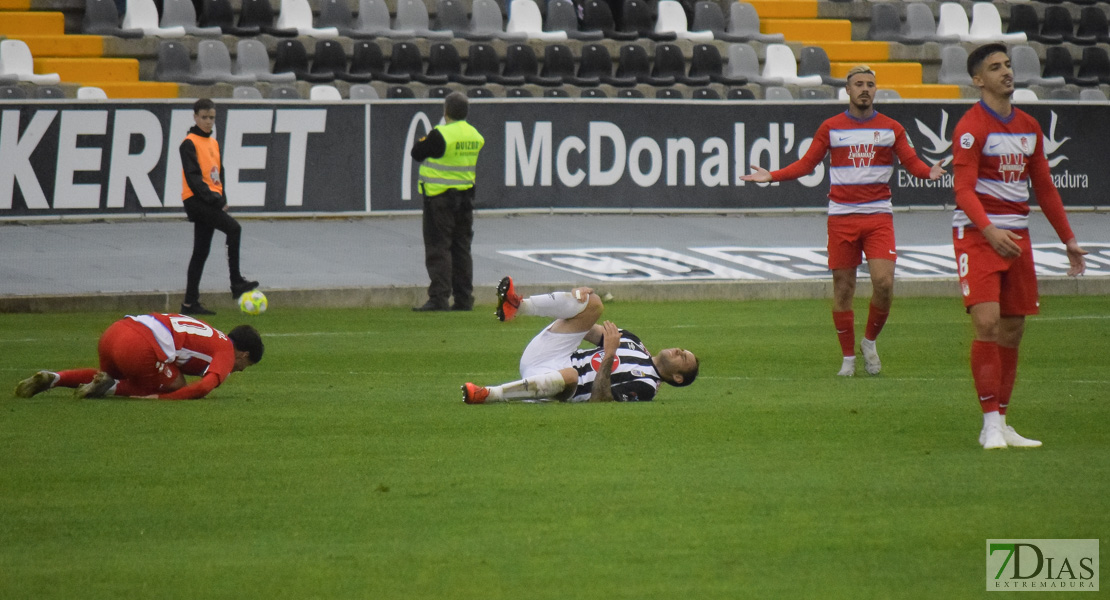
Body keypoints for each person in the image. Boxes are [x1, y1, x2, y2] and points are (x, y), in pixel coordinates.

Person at [740, 65, 946, 377]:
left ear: (876, 90)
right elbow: (807, 164)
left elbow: (912, 162)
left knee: (884, 283)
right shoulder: (832, 127)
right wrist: (772, 175)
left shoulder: (891, 128)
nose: (865, 89)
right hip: (841, 217)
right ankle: (848, 358)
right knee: (843, 288)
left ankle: (869, 341)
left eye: (870, 84)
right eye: (859, 84)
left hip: (878, 216)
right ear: (847, 91)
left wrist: (927, 171)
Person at [952, 44, 1087, 450]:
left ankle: (1004, 420)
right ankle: (989, 422)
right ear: (978, 80)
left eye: (1008, 65)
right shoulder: (971, 127)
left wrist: (1069, 240)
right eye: (995, 68)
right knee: (988, 323)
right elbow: (963, 190)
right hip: (978, 235)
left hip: (1018, 237)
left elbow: (1043, 185)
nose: (1006, 72)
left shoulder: (1029, 125)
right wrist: (990, 230)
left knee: (1013, 329)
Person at [461, 276, 699, 404]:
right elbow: (584, 327)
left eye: (684, 357)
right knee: (594, 304)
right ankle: (518, 306)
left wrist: (609, 355)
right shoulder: (634, 343)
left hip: (560, 384)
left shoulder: (646, 386)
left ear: (678, 377)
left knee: (571, 375)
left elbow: (601, 399)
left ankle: (489, 394)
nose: (679, 350)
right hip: (547, 355)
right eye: (683, 349)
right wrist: (578, 301)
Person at [13, 313, 263, 400]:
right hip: (139, 346)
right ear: (243, 354)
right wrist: (161, 399)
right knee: (174, 383)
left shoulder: (211, 334)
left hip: (116, 332)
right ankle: (109, 390)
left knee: (107, 375)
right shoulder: (227, 352)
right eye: (246, 365)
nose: (239, 370)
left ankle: (54, 378)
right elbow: (203, 388)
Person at [180, 98, 258, 316]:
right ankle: (236, 282)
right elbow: (194, 178)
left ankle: (189, 303)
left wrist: (222, 198)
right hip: (196, 201)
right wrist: (215, 201)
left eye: (211, 117)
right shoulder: (189, 143)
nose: (208, 122)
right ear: (195, 117)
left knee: (201, 251)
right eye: (204, 117)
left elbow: (218, 174)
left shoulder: (213, 143)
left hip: (209, 200)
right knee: (234, 229)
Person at [410, 92, 485, 312]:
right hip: (465, 200)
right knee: (461, 248)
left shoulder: (441, 134)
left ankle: (439, 297)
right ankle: (463, 298)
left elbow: (417, 152)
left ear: (446, 111)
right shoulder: (475, 135)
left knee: (439, 247)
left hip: (440, 198)